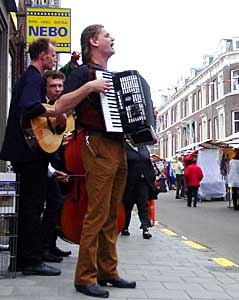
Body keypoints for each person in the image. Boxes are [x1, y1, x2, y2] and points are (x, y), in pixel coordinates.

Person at [53, 24, 136, 298]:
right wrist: (88, 87)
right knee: (97, 212)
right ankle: (85, 277)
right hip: (96, 142)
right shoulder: (82, 73)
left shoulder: (113, 77)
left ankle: (108, 271)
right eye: (106, 35)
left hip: (117, 145)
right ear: (93, 41)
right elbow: (59, 106)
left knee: (113, 212)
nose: (112, 38)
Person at [0, 38, 63, 276]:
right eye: (53, 54)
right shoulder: (34, 78)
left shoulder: (28, 77)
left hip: (24, 151)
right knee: (32, 206)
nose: (55, 58)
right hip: (28, 153)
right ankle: (30, 260)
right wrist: (55, 110)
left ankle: (22, 259)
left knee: (29, 205)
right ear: (42, 55)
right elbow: (30, 106)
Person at [40, 70, 71, 263]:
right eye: (53, 85)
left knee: (57, 204)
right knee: (53, 203)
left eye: (60, 86)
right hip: (44, 163)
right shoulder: (43, 109)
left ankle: (50, 245)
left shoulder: (63, 107)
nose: (58, 89)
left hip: (57, 161)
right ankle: (43, 248)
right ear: (45, 87)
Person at [121, 142, 156, 239]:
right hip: (129, 182)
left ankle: (146, 228)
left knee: (143, 205)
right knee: (127, 205)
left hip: (143, 182)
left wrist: (151, 177)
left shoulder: (143, 147)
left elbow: (149, 164)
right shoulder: (124, 147)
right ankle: (124, 227)